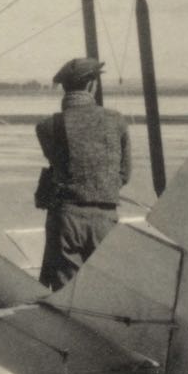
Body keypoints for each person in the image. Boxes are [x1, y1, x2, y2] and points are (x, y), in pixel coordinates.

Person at [34, 57, 131, 291]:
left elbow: (59, 165)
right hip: (105, 218)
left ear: (65, 88)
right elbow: (124, 174)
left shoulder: (47, 126)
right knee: (105, 292)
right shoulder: (116, 121)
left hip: (66, 220)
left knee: (66, 297)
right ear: (92, 85)